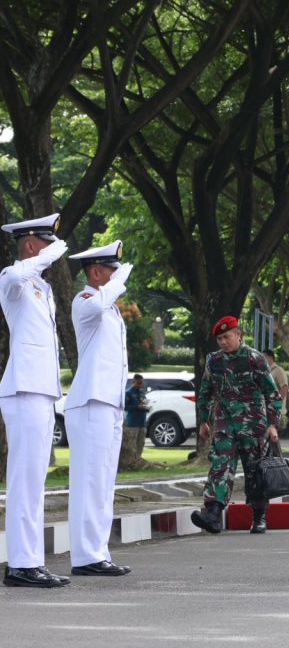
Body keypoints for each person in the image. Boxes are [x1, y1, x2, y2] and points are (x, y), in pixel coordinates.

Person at [0, 213, 70, 588]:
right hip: (23, 390)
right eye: (46, 244)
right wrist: (43, 259)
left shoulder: (42, 289)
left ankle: (30, 562)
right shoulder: (12, 279)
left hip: (42, 391)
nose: (52, 251)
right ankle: (21, 565)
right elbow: (14, 277)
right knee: (24, 480)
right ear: (30, 246)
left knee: (34, 482)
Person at [64, 240, 133, 577]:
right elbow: (96, 306)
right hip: (91, 401)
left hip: (110, 402)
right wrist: (117, 284)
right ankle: (85, 556)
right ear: (95, 272)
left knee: (104, 481)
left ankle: (98, 552)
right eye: (111, 270)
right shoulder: (86, 299)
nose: (117, 276)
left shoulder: (111, 308)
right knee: (90, 481)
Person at [191, 316, 282, 535]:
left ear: (238, 334)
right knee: (220, 466)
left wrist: (272, 424)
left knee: (255, 471)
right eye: (219, 338)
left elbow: (272, 393)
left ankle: (259, 516)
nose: (223, 342)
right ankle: (212, 514)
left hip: (254, 424)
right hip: (224, 423)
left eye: (227, 337)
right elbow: (205, 392)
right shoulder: (214, 361)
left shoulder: (255, 359)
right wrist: (203, 420)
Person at [120, 373, 150, 469]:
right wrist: (137, 407)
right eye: (139, 383)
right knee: (132, 442)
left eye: (142, 383)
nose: (140, 385)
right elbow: (125, 407)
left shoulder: (142, 393)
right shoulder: (128, 392)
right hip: (133, 422)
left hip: (142, 422)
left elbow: (144, 403)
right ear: (134, 382)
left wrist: (146, 407)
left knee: (141, 443)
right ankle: (131, 462)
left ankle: (138, 460)